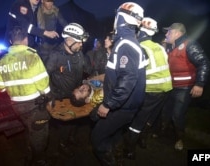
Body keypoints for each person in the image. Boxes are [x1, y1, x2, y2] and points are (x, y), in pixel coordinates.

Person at [90, 2, 147, 165]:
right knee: (115, 135)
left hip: (121, 106)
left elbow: (127, 80)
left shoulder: (126, 44)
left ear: (121, 17)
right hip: (125, 105)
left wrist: (108, 104)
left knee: (97, 138)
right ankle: (117, 155)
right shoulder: (128, 42)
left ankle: (111, 160)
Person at [0, 26, 51, 166]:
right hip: (34, 106)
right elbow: (43, 85)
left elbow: (0, 88)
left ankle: (29, 155)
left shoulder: (2, 61)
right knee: (40, 135)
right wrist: (49, 100)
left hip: (17, 107)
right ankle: (39, 161)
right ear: (26, 39)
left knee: (30, 129)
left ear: (10, 40)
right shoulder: (32, 56)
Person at [123, 17, 173, 159]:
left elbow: (135, 73)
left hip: (151, 89)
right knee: (151, 117)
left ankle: (129, 149)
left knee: (138, 120)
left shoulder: (139, 47)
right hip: (166, 89)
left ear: (139, 31)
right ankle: (143, 140)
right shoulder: (160, 47)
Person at [42, 22, 91, 157]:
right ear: (69, 40)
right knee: (66, 124)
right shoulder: (55, 56)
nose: (81, 45)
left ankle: (71, 138)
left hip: (76, 94)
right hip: (61, 96)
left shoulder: (79, 53)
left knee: (76, 119)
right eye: (79, 42)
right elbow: (44, 76)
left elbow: (88, 70)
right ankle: (62, 145)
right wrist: (50, 95)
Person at [161, 23, 210, 150]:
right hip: (169, 87)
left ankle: (179, 139)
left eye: (169, 32)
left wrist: (200, 84)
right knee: (165, 112)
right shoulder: (169, 47)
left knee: (177, 115)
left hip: (184, 88)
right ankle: (162, 133)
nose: (166, 34)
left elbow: (204, 63)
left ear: (178, 33)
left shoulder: (190, 44)